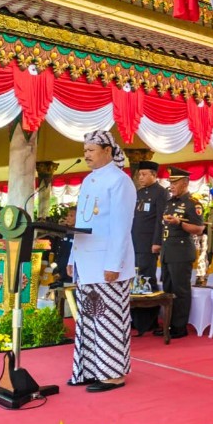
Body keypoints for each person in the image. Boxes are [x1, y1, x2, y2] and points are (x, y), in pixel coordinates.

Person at [66, 130, 136, 393]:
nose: (86, 155)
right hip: (86, 262)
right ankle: (90, 369)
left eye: (91, 150)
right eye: (85, 150)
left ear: (107, 150)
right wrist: (73, 257)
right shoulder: (89, 180)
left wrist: (113, 265)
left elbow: (121, 226)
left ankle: (112, 375)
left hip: (107, 263)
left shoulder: (120, 181)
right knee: (88, 319)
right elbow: (81, 223)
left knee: (108, 320)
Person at [157, 167, 205, 338]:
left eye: (175, 182)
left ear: (185, 183)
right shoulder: (170, 202)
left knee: (180, 290)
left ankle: (179, 327)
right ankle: (168, 324)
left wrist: (180, 223)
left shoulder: (193, 203)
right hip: (168, 252)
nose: (171, 186)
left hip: (181, 252)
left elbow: (199, 229)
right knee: (168, 290)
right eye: (170, 182)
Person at [130, 160, 168, 336]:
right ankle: (136, 319)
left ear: (154, 175)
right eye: (139, 174)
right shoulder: (138, 193)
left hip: (148, 243)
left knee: (146, 279)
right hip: (134, 242)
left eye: (144, 174)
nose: (141, 177)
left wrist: (157, 241)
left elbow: (160, 219)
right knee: (134, 280)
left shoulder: (161, 192)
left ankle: (149, 321)